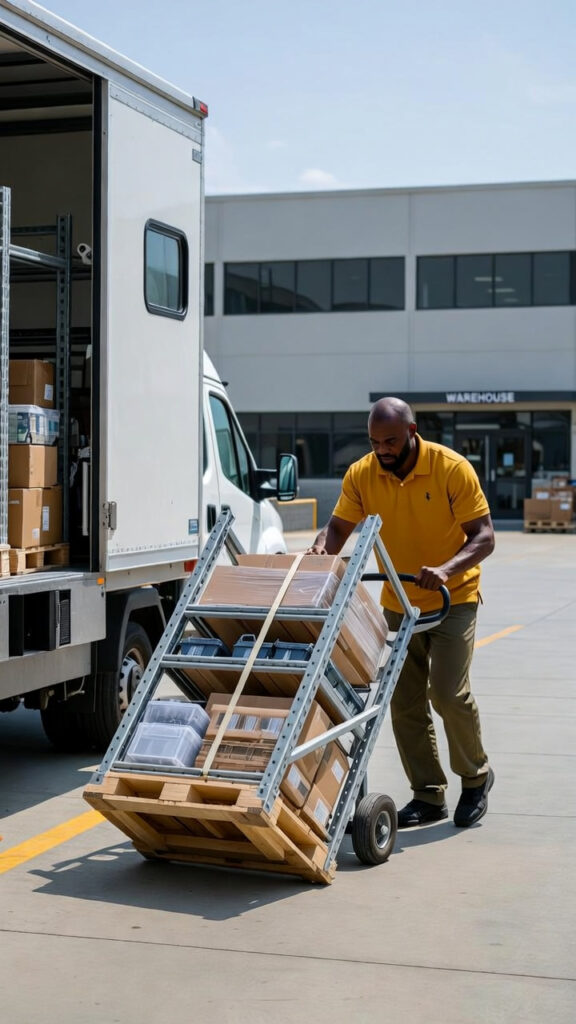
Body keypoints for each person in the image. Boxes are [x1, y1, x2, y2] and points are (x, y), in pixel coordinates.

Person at [308, 397, 495, 828]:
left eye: (390, 441)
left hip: (454, 598)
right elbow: (338, 527)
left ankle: (475, 778)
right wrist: (321, 548)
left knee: (447, 693)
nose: (382, 450)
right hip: (399, 603)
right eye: (375, 442)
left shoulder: (451, 468)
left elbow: (484, 536)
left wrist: (446, 570)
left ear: (412, 432)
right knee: (403, 702)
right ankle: (428, 795)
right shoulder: (363, 473)